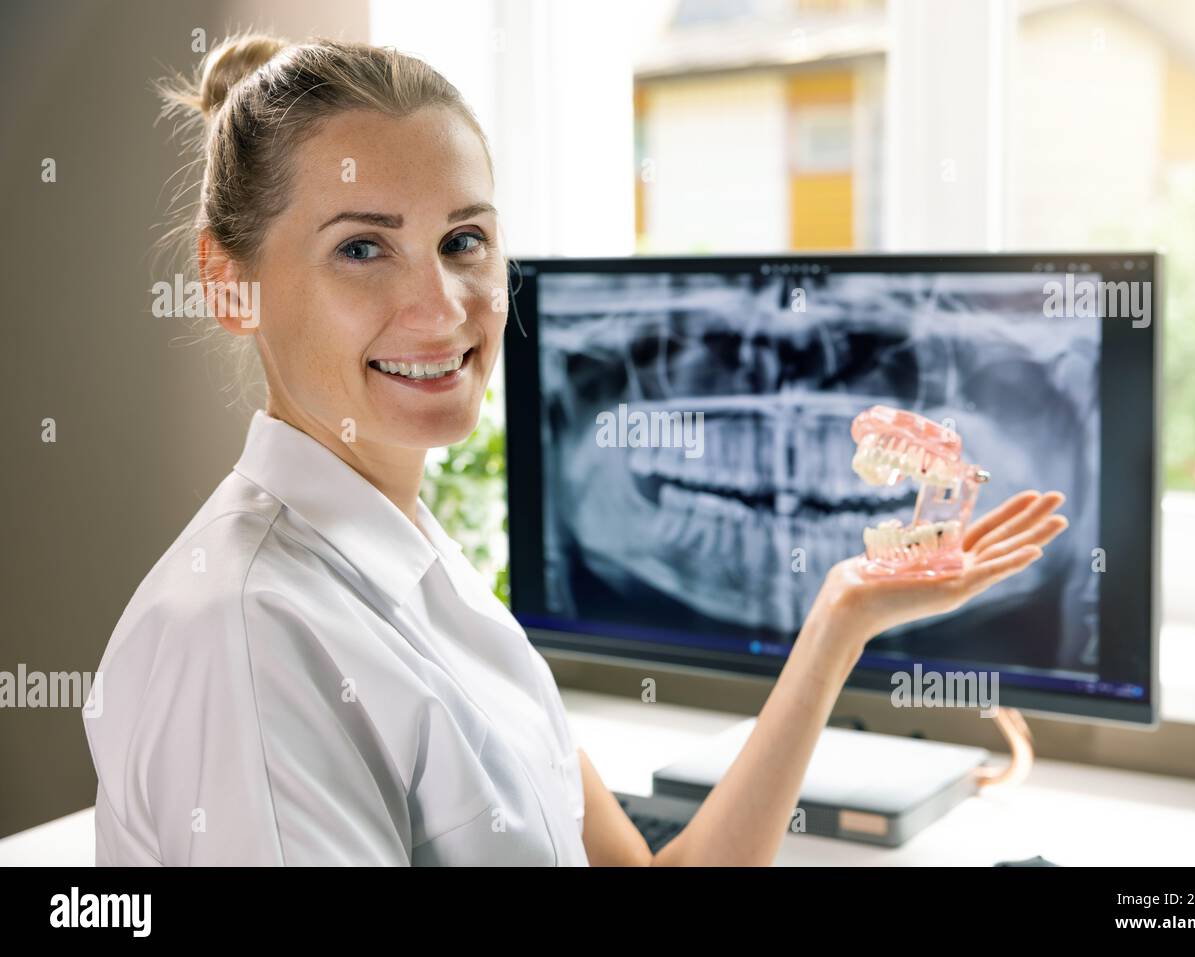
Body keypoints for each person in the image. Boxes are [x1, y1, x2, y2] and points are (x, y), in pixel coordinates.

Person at [83, 32, 1068, 866]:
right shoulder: (248, 636)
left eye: (463, 240)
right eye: (362, 247)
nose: (440, 309)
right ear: (228, 283)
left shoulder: (429, 580)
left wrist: (839, 623)